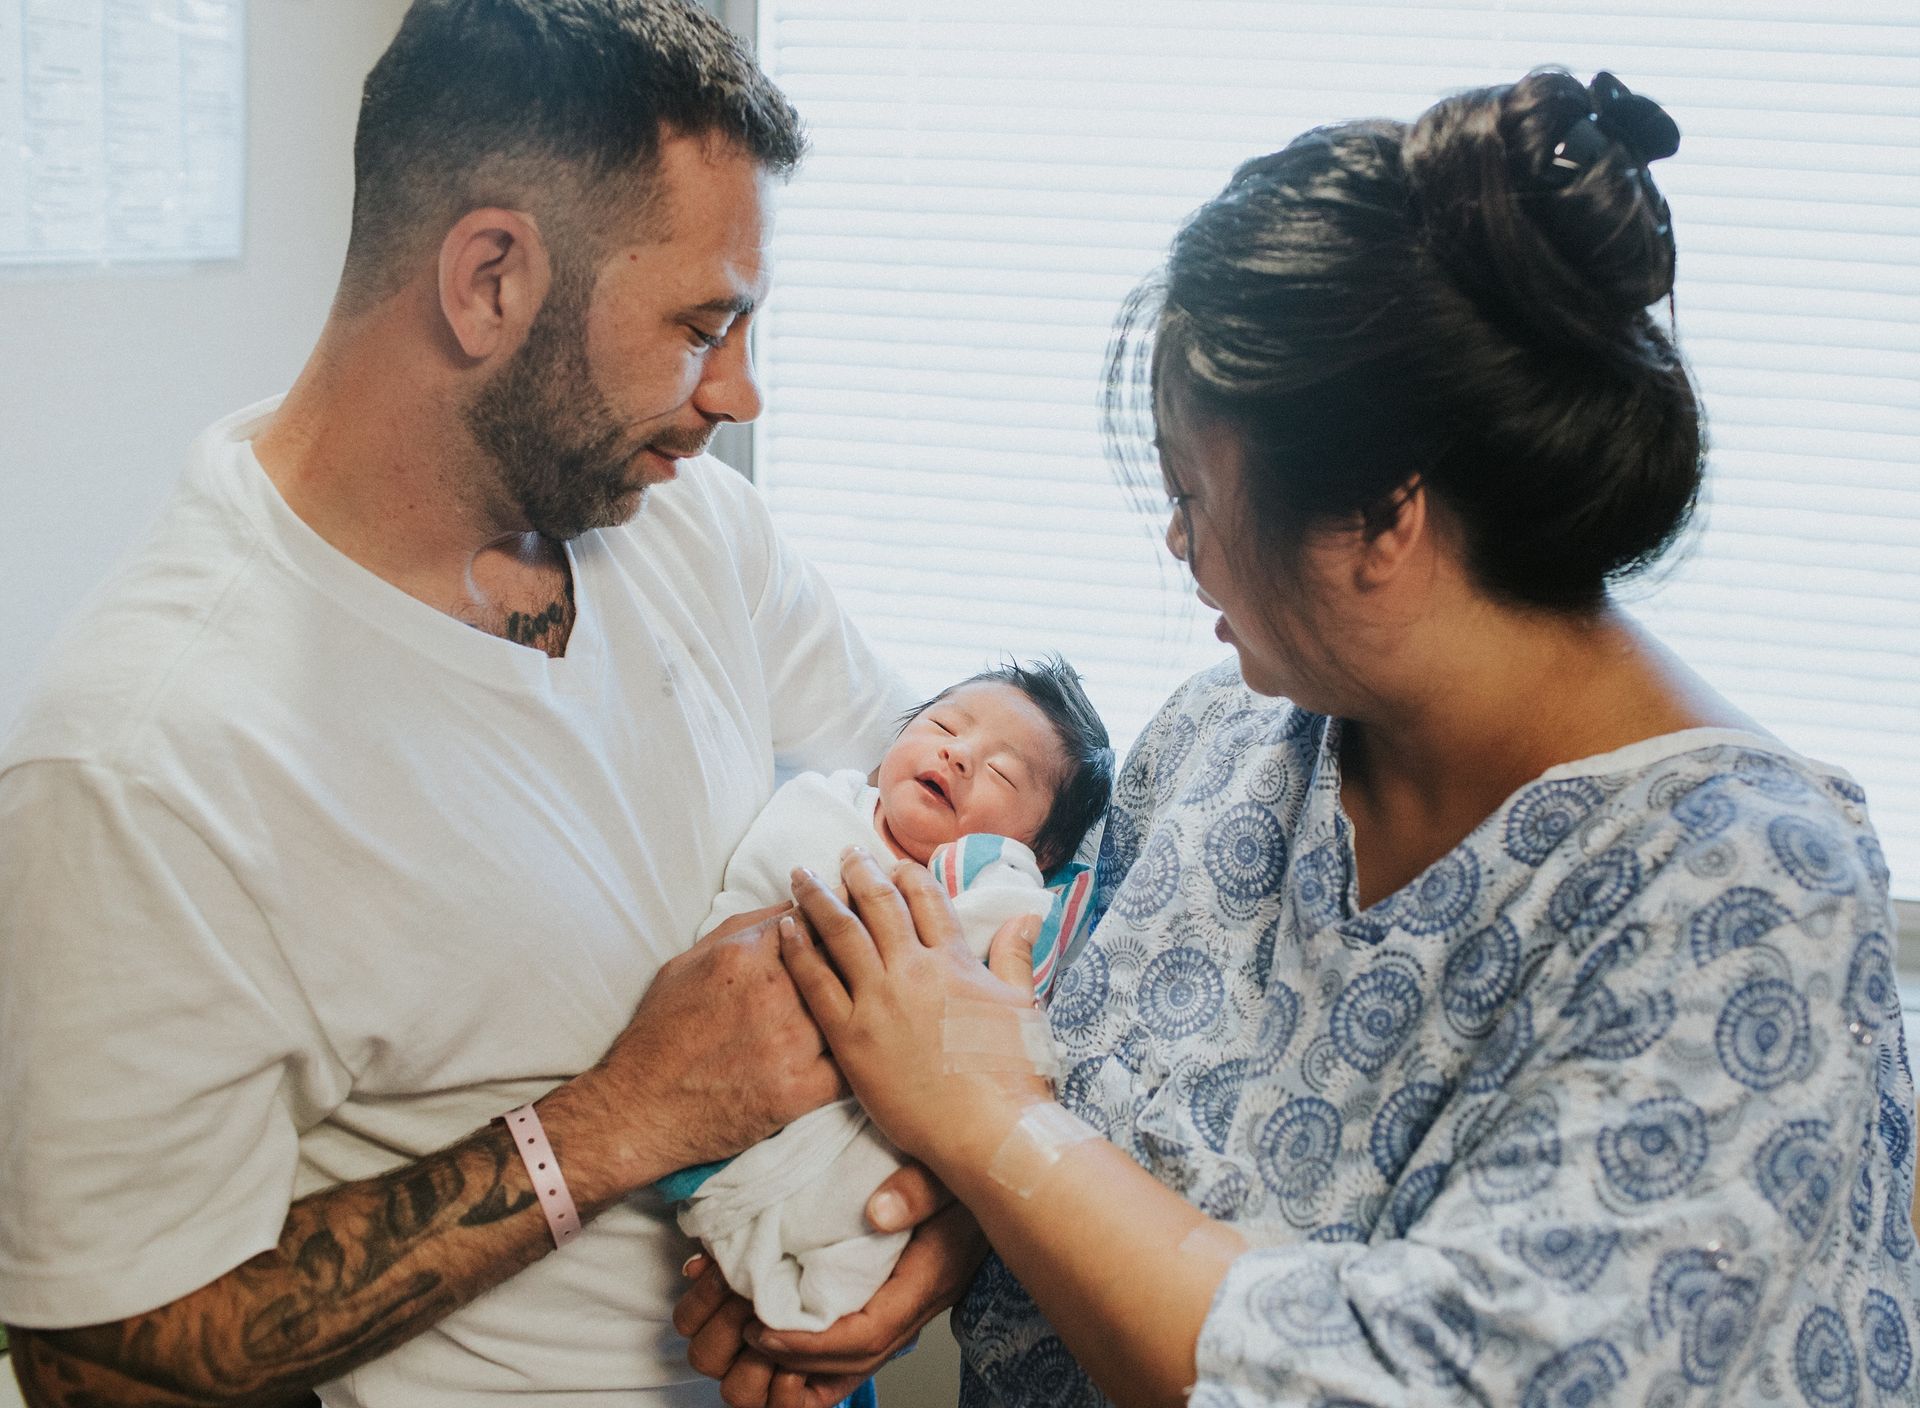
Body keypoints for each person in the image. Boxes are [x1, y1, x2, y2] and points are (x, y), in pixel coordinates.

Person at [675, 68, 1919, 1407]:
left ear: (1387, 517)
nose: (1179, 543)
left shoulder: (1745, 904)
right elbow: (1069, 1106)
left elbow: (1423, 1378)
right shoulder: (1222, 744)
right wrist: (931, 1231)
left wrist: (980, 1126)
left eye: (1197, 491)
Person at [0, 3, 980, 1405]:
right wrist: (614, 1123)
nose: (740, 396)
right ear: (491, 281)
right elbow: (99, 1366)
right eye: (704, 326)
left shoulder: (685, 528)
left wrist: (929, 1228)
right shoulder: (147, 763)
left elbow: (950, 828)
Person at [663, 658, 1111, 1335]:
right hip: (720, 1056)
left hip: (862, 1112)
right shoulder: (821, 803)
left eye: (1000, 773)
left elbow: (987, 993)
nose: (958, 755)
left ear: (1041, 849)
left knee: (860, 1215)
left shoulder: (996, 886)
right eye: (942, 726)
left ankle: (805, 1289)